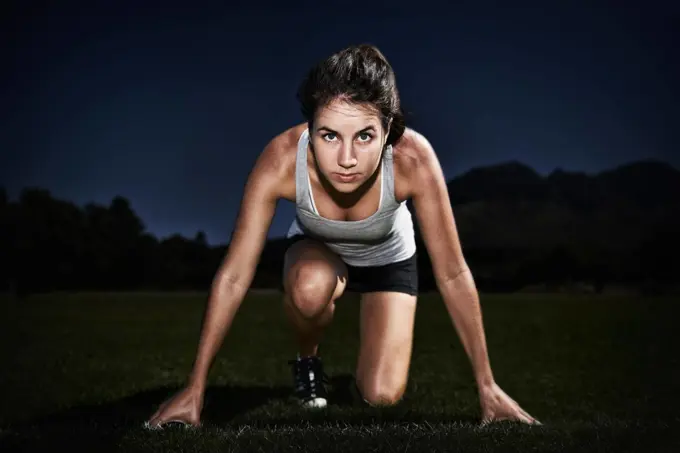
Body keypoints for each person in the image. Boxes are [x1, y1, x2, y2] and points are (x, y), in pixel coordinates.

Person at [145, 44, 541, 429]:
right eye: (329, 136)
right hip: (319, 254)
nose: (347, 159)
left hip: (390, 262)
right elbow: (233, 274)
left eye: (364, 136)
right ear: (310, 128)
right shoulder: (282, 159)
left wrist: (487, 386)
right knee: (309, 287)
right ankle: (307, 360)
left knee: (382, 395)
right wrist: (195, 387)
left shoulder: (413, 159)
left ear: (388, 130)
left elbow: (453, 273)